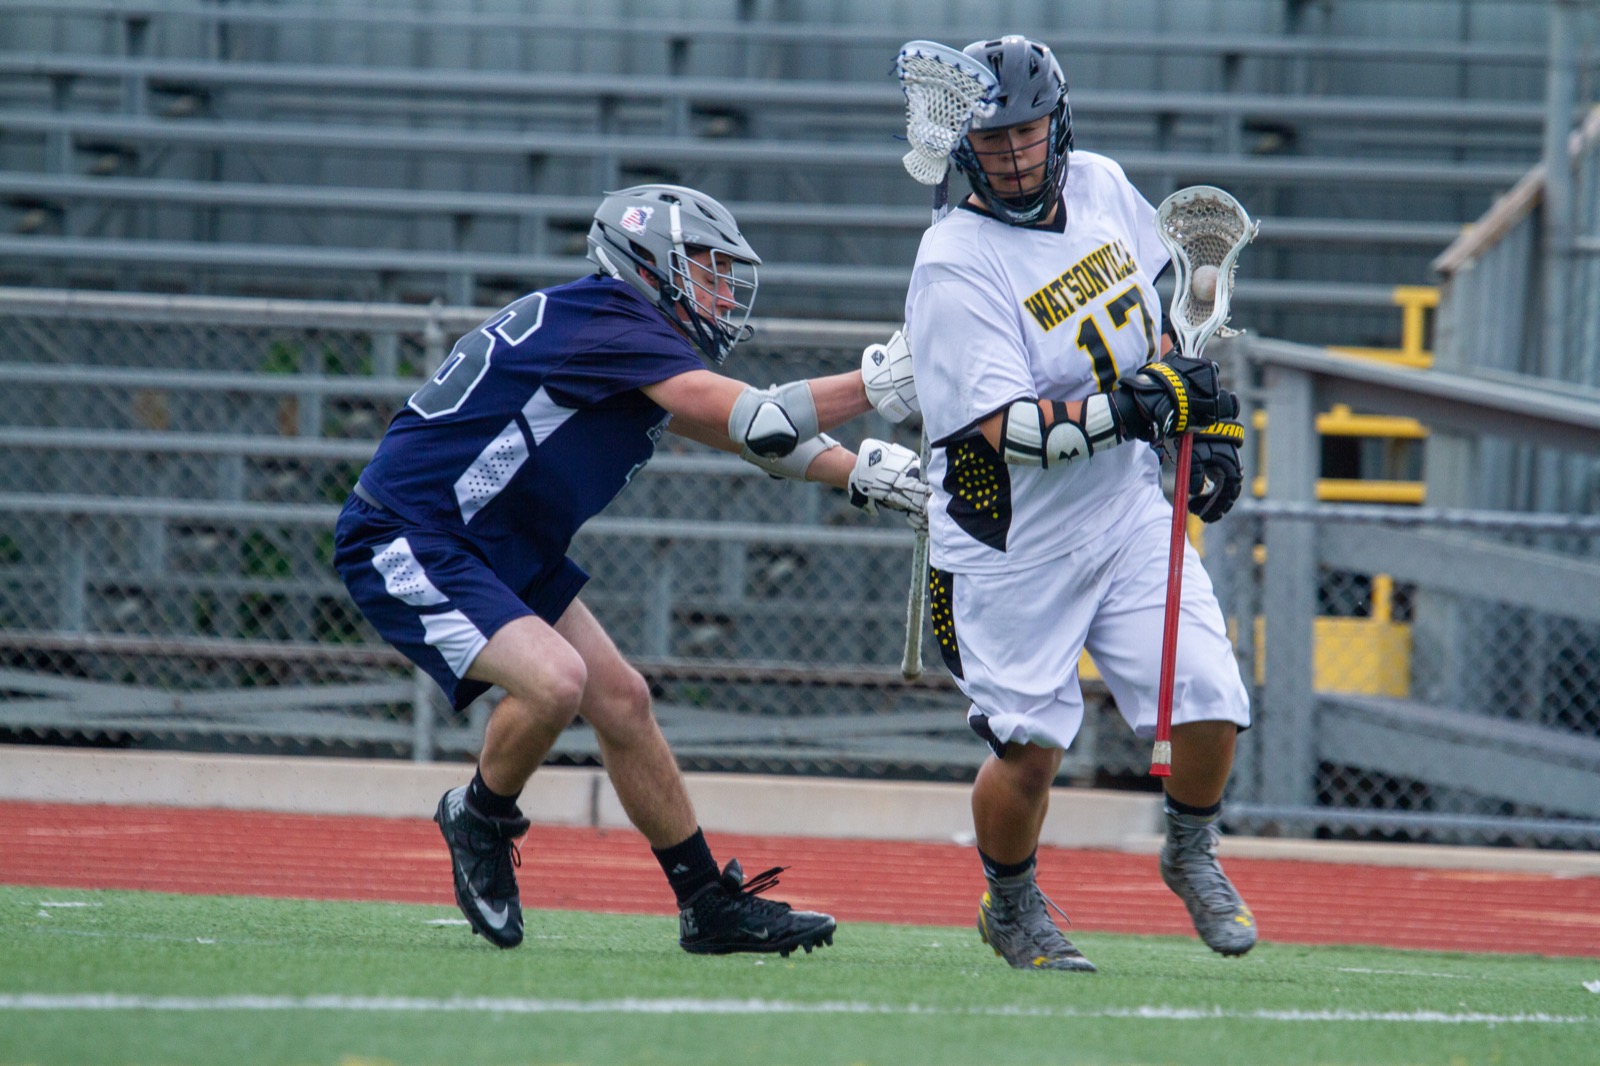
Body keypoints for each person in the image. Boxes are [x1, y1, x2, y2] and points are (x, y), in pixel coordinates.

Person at [333, 183, 925, 955]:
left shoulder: (611, 331)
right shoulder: (611, 320)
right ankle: (478, 816)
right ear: (651, 264)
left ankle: (705, 904)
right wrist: (873, 387)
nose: (720, 292)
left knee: (623, 699)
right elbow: (763, 417)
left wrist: (857, 474)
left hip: (498, 538)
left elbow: (749, 438)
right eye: (707, 269)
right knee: (556, 680)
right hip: (414, 531)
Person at [902, 35, 1256, 972]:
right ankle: (1010, 904)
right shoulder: (954, 261)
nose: (1015, 154)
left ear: (1057, 126)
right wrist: (1142, 406)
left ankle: (1190, 851)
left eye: (1027, 133)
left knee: (1212, 699)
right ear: (962, 146)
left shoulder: (1100, 184)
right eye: (994, 139)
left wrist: (1202, 419)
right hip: (1011, 541)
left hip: (1125, 509)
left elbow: (1160, 328)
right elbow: (1003, 431)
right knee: (1030, 752)